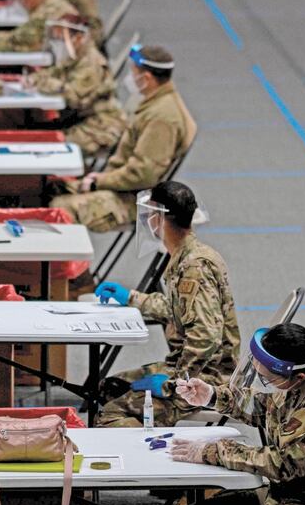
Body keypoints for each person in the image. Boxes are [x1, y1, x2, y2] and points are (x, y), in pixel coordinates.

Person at [172, 322, 305, 505]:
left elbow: (282, 464)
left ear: (298, 377)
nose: (264, 382)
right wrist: (212, 396)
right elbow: (266, 408)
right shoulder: (299, 379)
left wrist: (215, 451)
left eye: (266, 379)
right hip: (287, 494)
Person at [94, 181, 239, 426]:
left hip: (203, 379)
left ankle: (144, 461)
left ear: (159, 217)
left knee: (109, 415)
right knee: (109, 388)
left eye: (151, 213)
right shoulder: (187, 254)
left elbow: (206, 337)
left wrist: (173, 384)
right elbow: (178, 309)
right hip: (190, 368)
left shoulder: (195, 267)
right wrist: (130, 297)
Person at [49, 44, 196, 232]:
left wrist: (99, 182)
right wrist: (102, 178)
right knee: (52, 186)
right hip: (123, 186)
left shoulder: (162, 119)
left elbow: (143, 174)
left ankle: (60, 261)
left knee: (59, 208)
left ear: (147, 78)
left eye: (134, 73)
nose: (131, 78)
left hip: (135, 200)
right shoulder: (156, 102)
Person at [30, 14, 126, 156]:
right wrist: (39, 79)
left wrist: (49, 84)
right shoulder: (74, 56)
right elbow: (48, 75)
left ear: (79, 38)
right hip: (80, 118)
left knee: (49, 147)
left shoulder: (91, 63)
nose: (58, 41)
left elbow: (73, 97)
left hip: (101, 126)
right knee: (35, 132)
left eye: (62, 37)